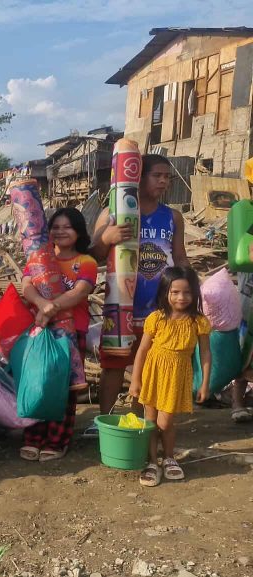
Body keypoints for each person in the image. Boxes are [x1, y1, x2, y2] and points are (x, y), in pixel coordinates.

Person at [88, 154, 190, 436]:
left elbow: (179, 256)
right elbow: (94, 253)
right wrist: (107, 238)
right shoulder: (114, 213)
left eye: (167, 177)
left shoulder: (173, 217)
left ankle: (140, 421)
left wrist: (190, 289)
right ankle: (104, 423)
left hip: (159, 309)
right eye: (157, 175)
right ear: (138, 177)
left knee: (152, 366)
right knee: (114, 365)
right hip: (121, 304)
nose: (164, 181)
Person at [20, 208, 97, 461]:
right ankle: (33, 436)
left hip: (72, 331)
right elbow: (27, 286)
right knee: (38, 382)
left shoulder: (86, 262)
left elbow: (80, 291)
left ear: (78, 232)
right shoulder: (39, 259)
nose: (60, 231)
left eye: (67, 227)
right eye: (56, 227)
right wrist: (43, 306)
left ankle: (56, 440)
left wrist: (52, 307)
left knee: (64, 387)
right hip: (41, 328)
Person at [128, 267, 210, 487]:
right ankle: (153, 462)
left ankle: (169, 457)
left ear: (194, 294)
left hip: (176, 376)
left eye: (187, 293)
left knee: (166, 422)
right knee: (150, 421)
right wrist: (135, 380)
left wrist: (204, 382)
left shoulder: (198, 322)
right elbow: (143, 350)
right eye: (175, 292)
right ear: (165, 292)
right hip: (153, 372)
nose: (181, 297)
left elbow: (205, 353)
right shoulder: (156, 318)